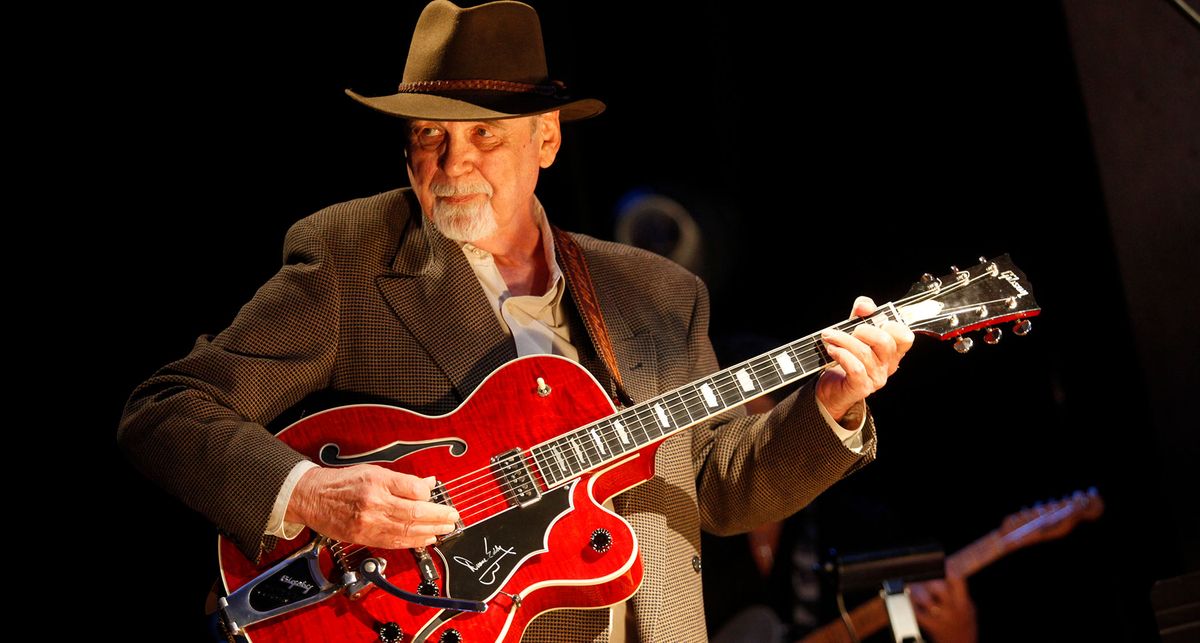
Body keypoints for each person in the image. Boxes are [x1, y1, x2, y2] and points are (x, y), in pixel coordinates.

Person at [116, 1, 913, 641]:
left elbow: (718, 490)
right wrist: (312, 492)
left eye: (484, 136)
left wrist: (830, 404)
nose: (452, 163)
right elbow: (165, 410)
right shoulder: (352, 256)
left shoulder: (659, 292)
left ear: (547, 140)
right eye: (429, 136)